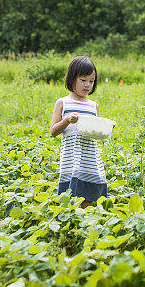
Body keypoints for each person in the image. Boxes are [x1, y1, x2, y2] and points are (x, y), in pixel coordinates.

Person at [50, 56, 109, 207]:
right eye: (83, 80)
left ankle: (87, 222)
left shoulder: (93, 106)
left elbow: (95, 131)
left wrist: (107, 126)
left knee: (89, 195)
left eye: (92, 81)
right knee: (71, 195)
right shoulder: (63, 103)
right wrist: (66, 121)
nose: (88, 85)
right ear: (72, 79)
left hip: (89, 157)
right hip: (71, 156)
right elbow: (53, 131)